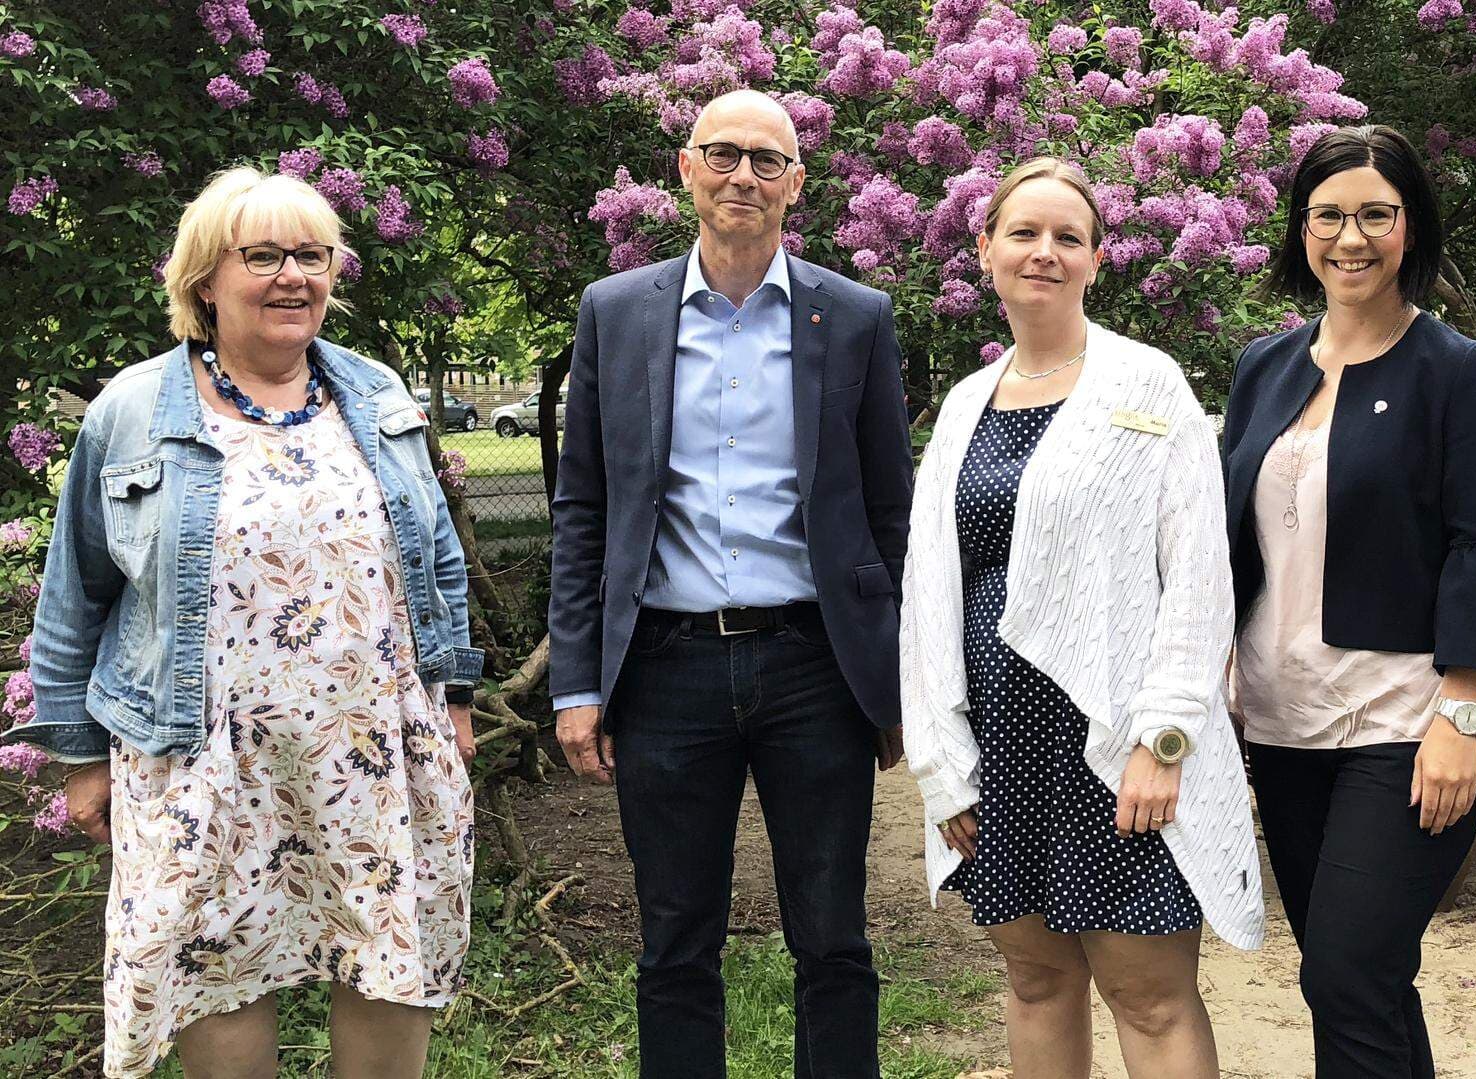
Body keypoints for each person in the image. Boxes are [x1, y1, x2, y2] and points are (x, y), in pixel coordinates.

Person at [9, 167, 480, 1078]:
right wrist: (76, 756)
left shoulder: (375, 395)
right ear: (204, 280)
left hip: (371, 745)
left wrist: (453, 692)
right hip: (201, 754)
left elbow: (438, 557)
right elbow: (74, 592)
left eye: (312, 255)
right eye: (262, 255)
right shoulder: (133, 410)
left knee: (387, 956)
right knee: (214, 968)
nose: (293, 276)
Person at [547, 89, 914, 1079]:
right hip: (664, 670)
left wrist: (893, 677)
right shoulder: (616, 313)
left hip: (814, 665)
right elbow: (583, 508)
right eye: (723, 155)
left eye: (766, 159)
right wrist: (578, 681)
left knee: (833, 935)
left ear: (797, 182)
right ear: (686, 170)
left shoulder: (857, 317)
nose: (742, 175)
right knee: (673, 939)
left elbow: (891, 514)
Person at [900, 156, 1264, 1079]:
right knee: (1034, 984)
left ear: (1099, 260)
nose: (1046, 253)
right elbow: (928, 593)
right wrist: (942, 761)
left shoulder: (1148, 386)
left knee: (1148, 996)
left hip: (1115, 742)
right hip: (1000, 745)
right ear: (984, 251)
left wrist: (1166, 735)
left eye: (1069, 237)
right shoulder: (962, 409)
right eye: (1024, 233)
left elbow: (1199, 575)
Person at [1221, 125, 1476, 1078]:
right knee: (1356, 977)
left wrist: (1462, 709)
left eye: (1375, 214)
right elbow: (1232, 542)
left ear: (1411, 228)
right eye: (1327, 215)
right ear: (1300, 229)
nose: (1349, 237)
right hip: (1281, 722)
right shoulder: (1263, 368)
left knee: (1349, 969)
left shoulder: (1459, 371)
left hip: (1405, 722)